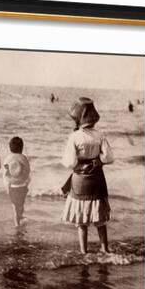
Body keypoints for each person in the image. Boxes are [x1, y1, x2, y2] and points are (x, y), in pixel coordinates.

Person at [61, 97, 114, 254]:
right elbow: (109, 158)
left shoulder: (75, 136)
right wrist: (98, 161)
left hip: (80, 181)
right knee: (100, 219)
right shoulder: (100, 135)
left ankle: (84, 252)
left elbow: (69, 162)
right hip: (97, 179)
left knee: (81, 221)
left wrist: (80, 163)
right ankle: (105, 249)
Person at [3, 136, 30, 227]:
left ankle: (16, 224)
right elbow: (27, 171)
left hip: (12, 186)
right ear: (22, 148)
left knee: (14, 207)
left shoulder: (8, 158)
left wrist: (7, 186)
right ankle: (20, 216)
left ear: (10, 147)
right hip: (23, 186)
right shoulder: (24, 158)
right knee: (21, 204)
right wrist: (26, 182)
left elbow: (5, 174)